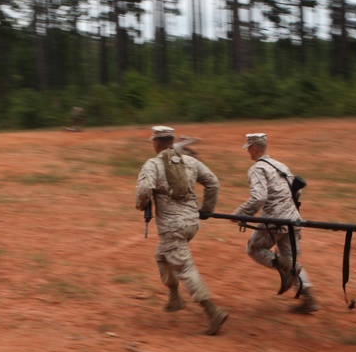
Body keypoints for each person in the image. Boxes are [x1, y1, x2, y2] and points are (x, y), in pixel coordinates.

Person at [135, 125, 228, 335]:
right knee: (161, 255)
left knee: (184, 267)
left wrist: (142, 205)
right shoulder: (190, 161)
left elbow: (143, 192)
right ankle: (175, 298)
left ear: (157, 143)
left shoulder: (152, 165)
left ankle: (213, 312)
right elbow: (213, 183)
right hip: (192, 223)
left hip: (172, 227)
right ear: (172, 141)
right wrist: (206, 210)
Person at [232, 133, 318, 313]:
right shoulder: (281, 165)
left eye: (248, 148)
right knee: (290, 259)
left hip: (275, 219)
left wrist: (239, 214)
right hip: (294, 218)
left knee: (254, 248)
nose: (247, 151)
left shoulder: (257, 169)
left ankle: (285, 269)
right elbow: (297, 193)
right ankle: (307, 296)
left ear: (254, 149)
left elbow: (259, 197)